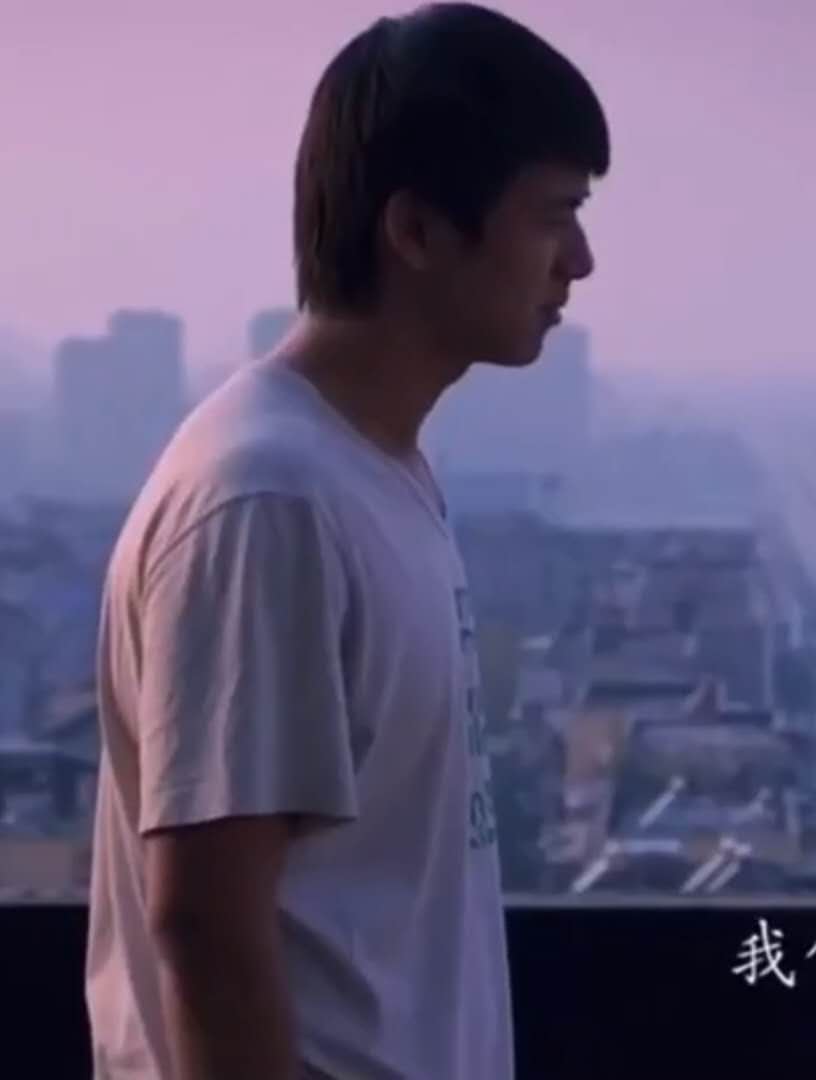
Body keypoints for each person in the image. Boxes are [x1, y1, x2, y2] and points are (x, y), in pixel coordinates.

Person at [84, 5, 607, 1078]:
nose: (581, 262)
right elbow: (207, 926)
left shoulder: (369, 469)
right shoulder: (269, 498)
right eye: (553, 216)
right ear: (415, 230)